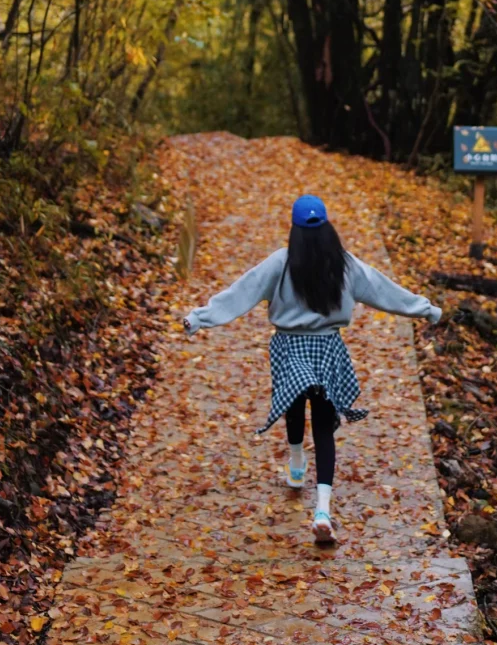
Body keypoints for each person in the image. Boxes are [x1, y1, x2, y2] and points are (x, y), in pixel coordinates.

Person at [183, 194, 442, 544]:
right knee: (323, 423)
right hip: (328, 348)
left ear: (294, 229)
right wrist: (424, 309)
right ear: (327, 227)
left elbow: (241, 292)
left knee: (293, 403)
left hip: (288, 346)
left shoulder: (281, 262)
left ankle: (296, 462)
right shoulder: (345, 264)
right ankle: (322, 508)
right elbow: (385, 290)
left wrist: (200, 317)